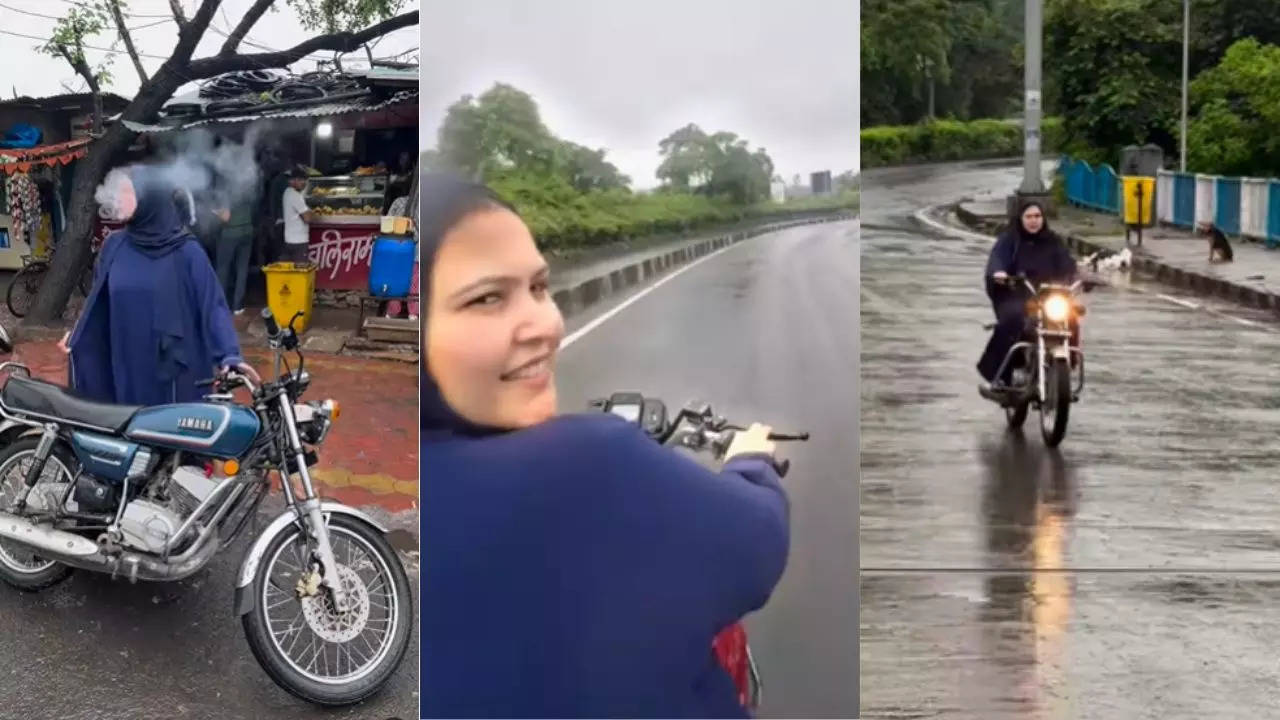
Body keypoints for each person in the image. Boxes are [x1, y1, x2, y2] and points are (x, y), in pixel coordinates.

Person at [420, 172, 790, 718]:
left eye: (539, 287)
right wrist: (751, 462)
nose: (544, 325)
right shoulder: (591, 466)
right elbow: (760, 543)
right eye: (487, 298)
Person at [58, 165, 259, 406]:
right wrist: (79, 334)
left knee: (169, 434)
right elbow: (98, 300)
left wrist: (230, 354)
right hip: (126, 362)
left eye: (126, 192)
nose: (116, 199)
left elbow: (212, 306)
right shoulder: (114, 246)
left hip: (174, 372)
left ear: (149, 197)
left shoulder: (186, 252)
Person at [977, 200, 1078, 392]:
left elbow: (1068, 265)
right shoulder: (1010, 240)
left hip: (1048, 298)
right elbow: (997, 260)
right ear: (1021, 219)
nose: (1034, 221)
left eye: (1038, 216)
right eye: (1029, 217)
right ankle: (1001, 376)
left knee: (1071, 318)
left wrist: (1079, 278)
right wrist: (999, 273)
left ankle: (1066, 365)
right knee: (1012, 320)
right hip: (1017, 295)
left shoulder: (1053, 241)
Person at [216, 190, 254, 314]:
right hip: (247, 230)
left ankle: (221, 305)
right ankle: (238, 306)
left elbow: (225, 217)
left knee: (223, 269)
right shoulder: (248, 188)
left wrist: (214, 212)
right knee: (242, 269)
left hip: (230, 233)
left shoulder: (228, 191)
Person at [280, 166, 312, 264]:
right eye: (301, 180)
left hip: (289, 239)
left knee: (291, 273)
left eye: (305, 180)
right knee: (300, 271)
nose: (304, 183)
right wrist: (312, 212)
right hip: (299, 241)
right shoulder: (295, 196)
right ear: (294, 180)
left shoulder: (287, 192)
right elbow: (308, 218)